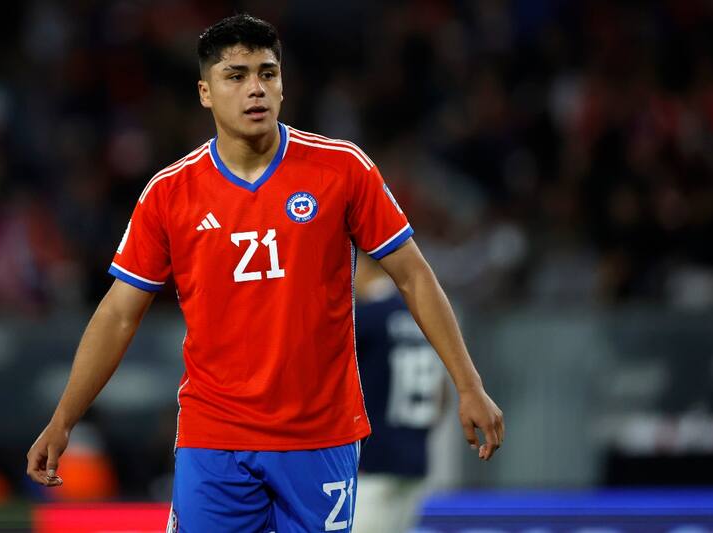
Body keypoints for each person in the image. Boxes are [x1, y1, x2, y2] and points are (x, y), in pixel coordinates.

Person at [26, 13, 504, 532]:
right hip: (215, 439)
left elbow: (414, 276)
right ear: (206, 92)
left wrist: (469, 384)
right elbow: (118, 313)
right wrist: (64, 418)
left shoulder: (342, 169)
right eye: (236, 76)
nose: (256, 89)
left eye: (267, 73)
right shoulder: (169, 193)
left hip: (320, 437)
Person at [352, 252, 447, 532]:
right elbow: (441, 394)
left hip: (372, 461)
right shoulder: (420, 314)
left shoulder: (367, 318)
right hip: (415, 457)